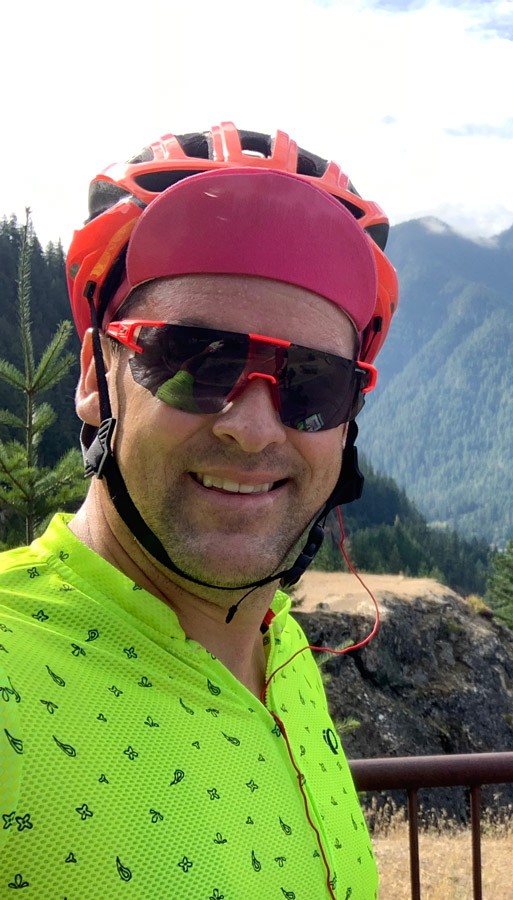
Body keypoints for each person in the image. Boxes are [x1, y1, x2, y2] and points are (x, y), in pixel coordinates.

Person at [0, 123, 398, 899]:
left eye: (312, 383)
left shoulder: (284, 658)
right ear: (95, 373)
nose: (252, 428)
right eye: (193, 360)